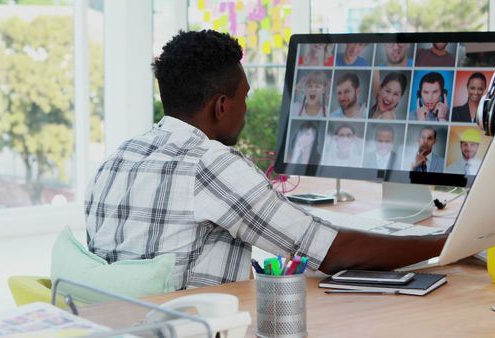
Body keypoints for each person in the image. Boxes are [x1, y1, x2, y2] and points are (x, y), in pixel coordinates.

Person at [85, 30, 446, 290]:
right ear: (221, 105)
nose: (245, 109)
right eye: (244, 97)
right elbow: (331, 251)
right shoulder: (211, 163)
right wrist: (446, 242)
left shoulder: (117, 158)